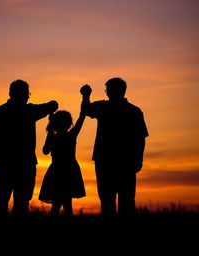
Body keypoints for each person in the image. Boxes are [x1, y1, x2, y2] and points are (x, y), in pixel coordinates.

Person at [0, 80, 58, 216]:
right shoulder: (29, 111)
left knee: (1, 204)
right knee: (20, 204)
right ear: (17, 94)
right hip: (23, 165)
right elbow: (52, 106)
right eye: (26, 93)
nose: (27, 96)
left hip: (4, 165)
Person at [81, 78, 149, 216]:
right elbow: (141, 139)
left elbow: (86, 110)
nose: (107, 92)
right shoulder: (133, 111)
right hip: (122, 161)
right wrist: (139, 159)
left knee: (113, 201)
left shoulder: (105, 108)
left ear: (111, 91)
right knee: (122, 201)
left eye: (108, 89)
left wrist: (86, 96)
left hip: (111, 161)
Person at [38, 87, 90, 216]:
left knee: (56, 205)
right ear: (69, 123)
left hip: (56, 170)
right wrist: (85, 97)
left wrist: (50, 131)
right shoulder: (71, 135)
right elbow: (82, 117)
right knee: (67, 204)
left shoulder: (52, 136)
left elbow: (45, 151)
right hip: (69, 170)